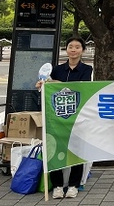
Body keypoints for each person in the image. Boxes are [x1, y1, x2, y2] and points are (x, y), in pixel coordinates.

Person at [35, 37, 92, 200]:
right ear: (66, 49)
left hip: (77, 117)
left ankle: (74, 185)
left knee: (76, 150)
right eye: (70, 46)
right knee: (55, 149)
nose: (73, 50)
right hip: (57, 116)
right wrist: (42, 85)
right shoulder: (56, 69)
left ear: (83, 50)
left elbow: (81, 87)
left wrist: (57, 83)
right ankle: (58, 186)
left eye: (77, 47)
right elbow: (49, 88)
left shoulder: (87, 69)